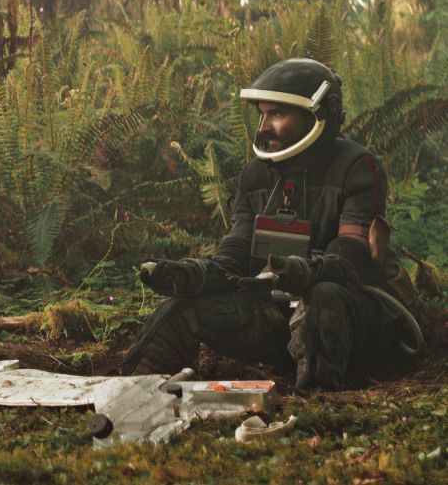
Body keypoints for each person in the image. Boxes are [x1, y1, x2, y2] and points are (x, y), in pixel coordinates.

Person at [122, 58, 417, 390]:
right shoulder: (256, 175)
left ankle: (318, 402)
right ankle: (132, 394)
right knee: (180, 308)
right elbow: (235, 255)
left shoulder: (358, 168)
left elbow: (350, 260)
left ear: (320, 114)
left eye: (277, 114)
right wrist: (193, 273)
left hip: (354, 322)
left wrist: (301, 271)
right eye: (261, 114)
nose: (263, 128)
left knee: (323, 297)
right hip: (281, 319)